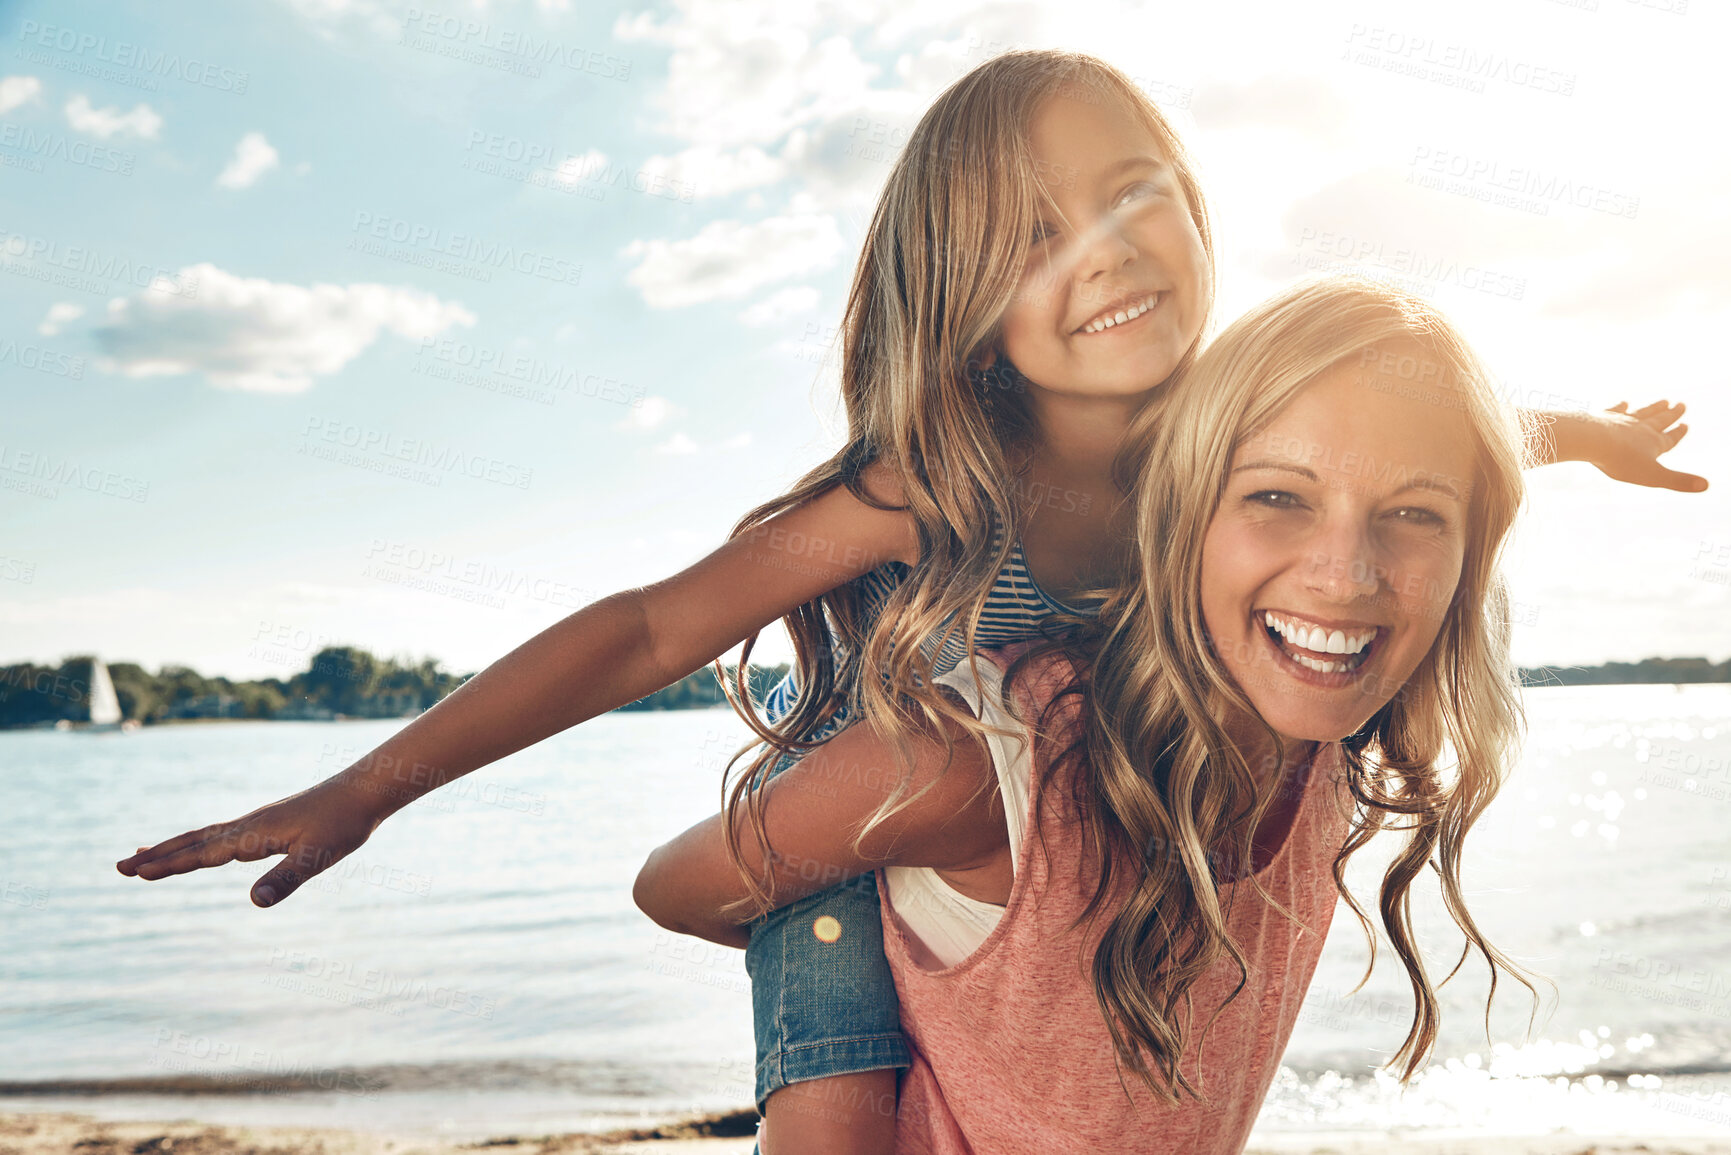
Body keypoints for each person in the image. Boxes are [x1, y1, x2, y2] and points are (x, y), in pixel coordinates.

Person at [116, 51, 1700, 1155]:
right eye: (1025, 236)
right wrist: (365, 786)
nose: (1104, 250)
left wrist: (1577, 437)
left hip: (1074, 792)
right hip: (851, 836)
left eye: (1133, 189)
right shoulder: (940, 475)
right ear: (954, 296)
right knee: (838, 1089)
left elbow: (1417, 427)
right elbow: (653, 628)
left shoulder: (1227, 429)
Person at [635, 275, 1546, 1153]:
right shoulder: (982, 765)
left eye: (1415, 514)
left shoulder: (1324, 745)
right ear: (1177, 510)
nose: (1345, 573)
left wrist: (1586, 437)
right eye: (1276, 497)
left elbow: (1440, 444)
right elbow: (676, 884)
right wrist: (843, 958)